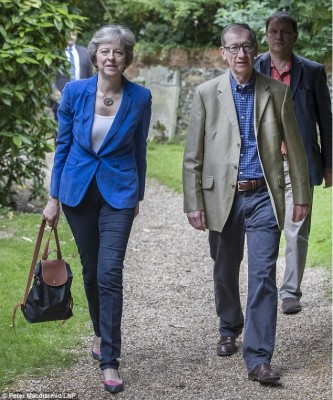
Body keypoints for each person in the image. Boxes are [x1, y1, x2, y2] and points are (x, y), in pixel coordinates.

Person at [182, 23, 311, 384]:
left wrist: (301, 194)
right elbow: (193, 154)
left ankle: (258, 357)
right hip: (221, 197)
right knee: (224, 270)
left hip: (263, 197)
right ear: (222, 53)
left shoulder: (276, 92)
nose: (241, 54)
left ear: (256, 51)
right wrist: (194, 201)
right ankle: (229, 325)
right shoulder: (207, 93)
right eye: (234, 47)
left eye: (247, 47)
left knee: (263, 276)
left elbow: (296, 148)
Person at [43, 24, 152, 394]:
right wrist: (53, 197)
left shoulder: (140, 97)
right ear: (95, 55)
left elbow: (140, 148)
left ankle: (110, 359)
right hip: (77, 193)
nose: (111, 57)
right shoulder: (74, 91)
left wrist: (136, 195)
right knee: (90, 271)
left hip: (119, 193)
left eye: (118, 52)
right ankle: (99, 332)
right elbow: (62, 146)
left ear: (127, 58)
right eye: (105, 51)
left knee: (109, 272)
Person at [254, 11, 332, 315]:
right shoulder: (255, 67)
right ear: (266, 34)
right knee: (264, 228)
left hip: (299, 164)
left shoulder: (311, 72)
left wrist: (329, 164)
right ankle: (263, 287)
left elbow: (325, 119)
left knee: (297, 229)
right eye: (273, 30)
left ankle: (290, 292)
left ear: (294, 36)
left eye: (285, 31)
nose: (278, 36)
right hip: (261, 163)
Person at [50, 31, 93, 120]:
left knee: (80, 131)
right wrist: (53, 90)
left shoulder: (85, 52)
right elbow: (49, 75)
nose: (71, 37)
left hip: (81, 99)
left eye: (74, 34)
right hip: (60, 98)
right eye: (69, 33)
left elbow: (90, 77)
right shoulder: (54, 53)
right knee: (61, 131)